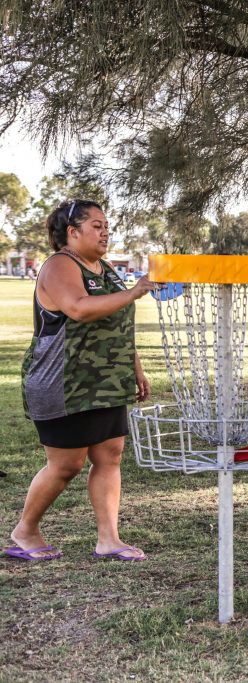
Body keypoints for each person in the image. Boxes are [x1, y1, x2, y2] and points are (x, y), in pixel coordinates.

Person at [7, 199, 158, 562]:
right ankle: (24, 531)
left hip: (104, 381)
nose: (105, 231)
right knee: (66, 464)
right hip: (62, 381)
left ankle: (109, 540)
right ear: (72, 232)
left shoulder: (104, 268)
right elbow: (77, 307)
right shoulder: (60, 265)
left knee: (110, 455)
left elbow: (115, 321)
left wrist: (133, 364)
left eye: (106, 225)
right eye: (96, 225)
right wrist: (137, 290)